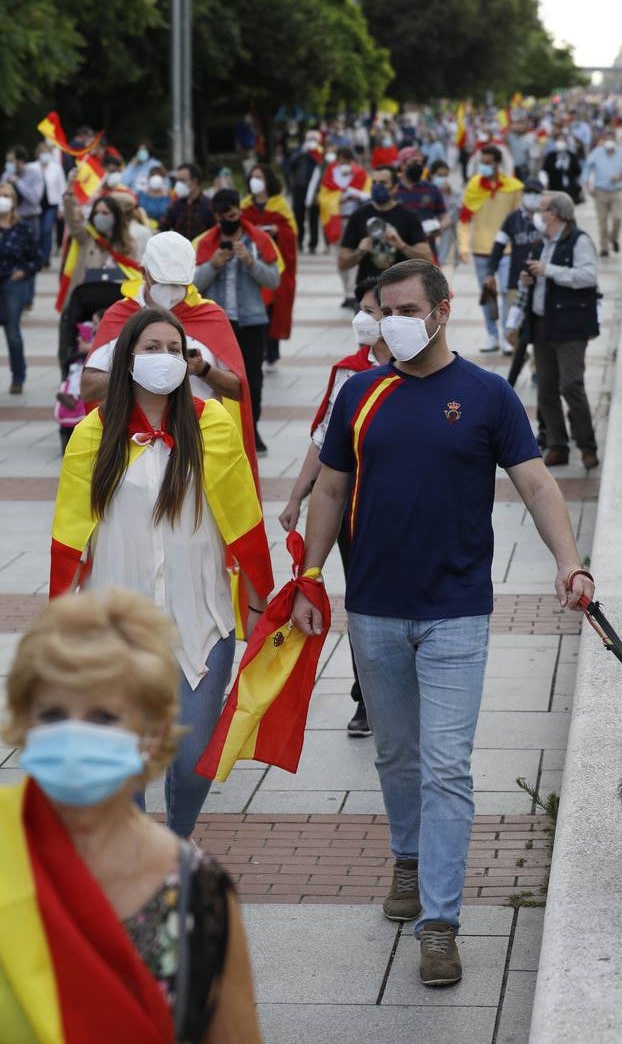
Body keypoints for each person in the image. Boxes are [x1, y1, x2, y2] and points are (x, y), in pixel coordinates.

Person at [290, 259, 595, 987]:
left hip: (458, 611)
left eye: (402, 307)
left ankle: (440, 922)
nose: (389, 320)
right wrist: (307, 573)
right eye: (381, 308)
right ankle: (407, 856)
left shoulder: (487, 395)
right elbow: (330, 489)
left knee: (448, 767)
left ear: (440, 310)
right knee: (397, 756)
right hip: (374, 609)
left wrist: (570, 562)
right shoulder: (361, 393)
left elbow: (536, 482)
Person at [0, 586, 262, 1042]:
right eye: (54, 713)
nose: (75, 735)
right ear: (24, 722)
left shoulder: (198, 894)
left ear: (154, 735)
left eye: (103, 717)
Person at [50, 307, 274, 836]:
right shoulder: (92, 433)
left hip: (201, 614)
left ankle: (174, 843)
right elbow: (68, 534)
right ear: (127, 358)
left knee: (194, 758)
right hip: (117, 622)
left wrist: (263, 597)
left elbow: (244, 516)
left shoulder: (211, 422)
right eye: (152, 348)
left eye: (174, 349)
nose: (165, 359)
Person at [278, 276, 393, 738]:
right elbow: (324, 440)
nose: (364, 318)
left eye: (375, 310)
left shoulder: (425, 367)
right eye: (362, 308)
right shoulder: (347, 370)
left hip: (400, 508)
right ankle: (366, 696)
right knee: (365, 601)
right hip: (352, 510)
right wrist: (297, 495)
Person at [79, 231, 259, 483]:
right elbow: (88, 389)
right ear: (144, 273)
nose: (173, 292)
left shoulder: (210, 316)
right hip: (130, 447)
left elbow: (239, 390)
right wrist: (135, 371)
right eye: (164, 283)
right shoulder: (120, 315)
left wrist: (204, 370)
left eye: (180, 285)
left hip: (198, 444)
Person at [516, 192, 600, 470]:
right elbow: (537, 277)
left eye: (542, 209)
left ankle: (587, 446)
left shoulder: (579, 240)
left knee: (571, 385)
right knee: (546, 388)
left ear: (555, 213)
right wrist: (527, 278)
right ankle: (558, 444)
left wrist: (549, 270)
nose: (538, 214)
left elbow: (588, 276)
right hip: (543, 324)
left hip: (571, 326)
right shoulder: (542, 242)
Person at [194, 189, 281, 456]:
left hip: (252, 321)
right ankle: (221, 429)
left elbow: (274, 280)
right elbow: (194, 284)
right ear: (217, 217)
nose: (230, 219)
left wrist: (250, 261)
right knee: (215, 378)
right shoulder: (207, 243)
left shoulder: (258, 239)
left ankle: (251, 430)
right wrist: (213, 264)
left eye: (234, 213)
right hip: (217, 324)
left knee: (252, 380)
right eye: (224, 216)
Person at [57, 187, 141, 377]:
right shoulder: (87, 238)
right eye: (97, 213)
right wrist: (69, 194)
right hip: (84, 304)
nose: (100, 217)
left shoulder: (128, 244)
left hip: (114, 305)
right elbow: (72, 221)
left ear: (116, 217)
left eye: (106, 213)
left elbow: (134, 275)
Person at [457, 144, 524, 352]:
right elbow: (464, 218)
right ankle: (492, 335)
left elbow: (519, 219)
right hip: (481, 248)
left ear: (497, 164)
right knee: (488, 293)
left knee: (506, 291)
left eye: (487, 163)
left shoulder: (513, 187)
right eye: (481, 163)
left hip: (507, 249)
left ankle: (506, 335)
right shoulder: (474, 186)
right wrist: (463, 245)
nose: (484, 167)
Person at [339, 165, 431, 289]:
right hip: (368, 289)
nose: (377, 187)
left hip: (401, 289)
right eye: (374, 182)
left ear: (394, 188)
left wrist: (402, 246)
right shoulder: (358, 215)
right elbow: (342, 264)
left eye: (383, 183)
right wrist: (360, 252)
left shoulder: (409, 216)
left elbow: (427, 259)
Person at [242, 163, 298, 367]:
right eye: (252, 177)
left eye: (259, 177)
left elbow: (291, 233)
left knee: (275, 307)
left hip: (275, 263)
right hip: (252, 262)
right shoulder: (245, 205)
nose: (254, 181)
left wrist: (277, 230)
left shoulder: (280, 205)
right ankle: (260, 347)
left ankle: (272, 349)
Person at [0, 178, 41, 394]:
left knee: (12, 332)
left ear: (14, 201)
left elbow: (36, 258)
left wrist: (23, 272)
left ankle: (18, 376)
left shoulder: (22, 228)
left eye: (6, 195)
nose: (2, 200)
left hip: (12, 283)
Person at [318, 144, 371, 307]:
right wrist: (338, 198)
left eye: (347, 160)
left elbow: (368, 195)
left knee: (355, 255)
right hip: (336, 221)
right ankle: (346, 292)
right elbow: (323, 198)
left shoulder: (360, 174)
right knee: (340, 258)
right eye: (341, 160)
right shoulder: (329, 175)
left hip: (354, 221)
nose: (344, 163)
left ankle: (353, 291)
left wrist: (356, 195)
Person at [583, 130, 622, 256]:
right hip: (600, 191)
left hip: (618, 190)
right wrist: (587, 184)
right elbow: (587, 167)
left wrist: (621, 176)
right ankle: (604, 247)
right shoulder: (597, 153)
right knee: (602, 220)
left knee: (617, 218)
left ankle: (613, 238)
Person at [395, 148, 448, 259]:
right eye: (414, 162)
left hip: (427, 251)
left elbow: (445, 217)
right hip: (398, 252)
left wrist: (440, 227)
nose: (419, 166)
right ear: (403, 165)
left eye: (421, 162)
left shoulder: (431, 189)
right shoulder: (393, 189)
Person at [286, 130, 324, 254]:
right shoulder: (300, 153)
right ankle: (299, 242)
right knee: (298, 217)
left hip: (315, 190)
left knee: (314, 217)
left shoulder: (321, 153)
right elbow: (290, 165)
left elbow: (324, 168)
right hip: (299, 188)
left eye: (315, 139)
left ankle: (313, 244)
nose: (312, 141)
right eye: (310, 139)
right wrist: (302, 152)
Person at [158, 163, 215, 240]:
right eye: (177, 180)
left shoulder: (209, 205)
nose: (178, 184)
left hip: (201, 250)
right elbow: (162, 228)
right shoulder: (174, 205)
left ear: (195, 181)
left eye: (182, 180)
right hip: (179, 250)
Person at [35, 140, 67, 268]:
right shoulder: (32, 167)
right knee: (36, 232)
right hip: (36, 205)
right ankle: (36, 257)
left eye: (47, 152)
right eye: (42, 153)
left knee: (47, 231)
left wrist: (62, 207)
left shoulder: (56, 168)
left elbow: (62, 188)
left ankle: (45, 259)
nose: (44, 155)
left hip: (51, 204)